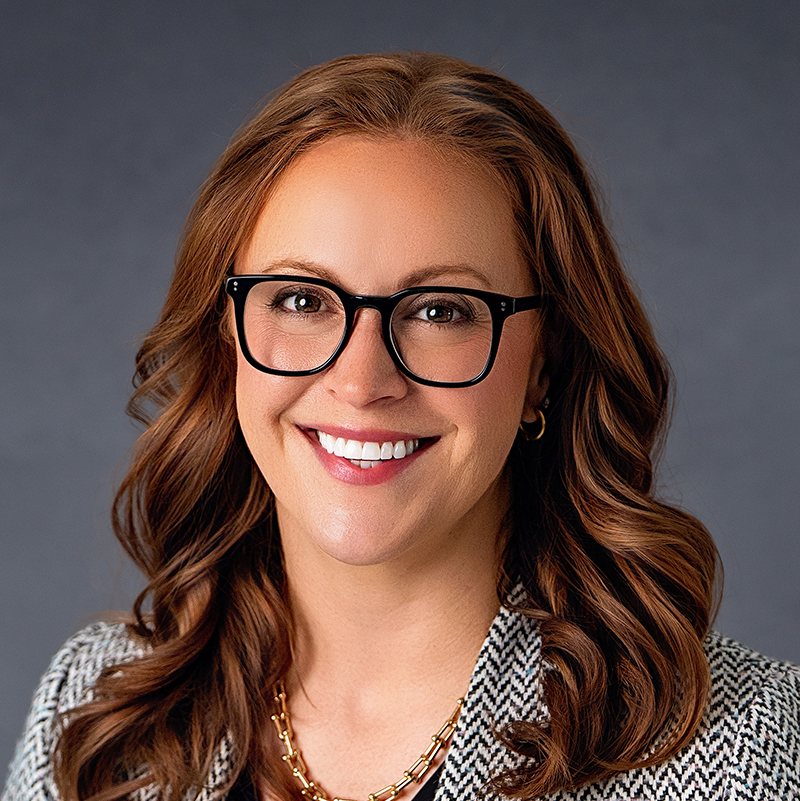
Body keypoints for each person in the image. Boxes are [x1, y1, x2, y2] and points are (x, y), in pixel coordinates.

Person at [3, 51, 799, 801]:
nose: (360, 382)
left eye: (440, 310)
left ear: (545, 364)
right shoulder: (95, 708)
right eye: (302, 300)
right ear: (226, 337)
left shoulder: (746, 748)